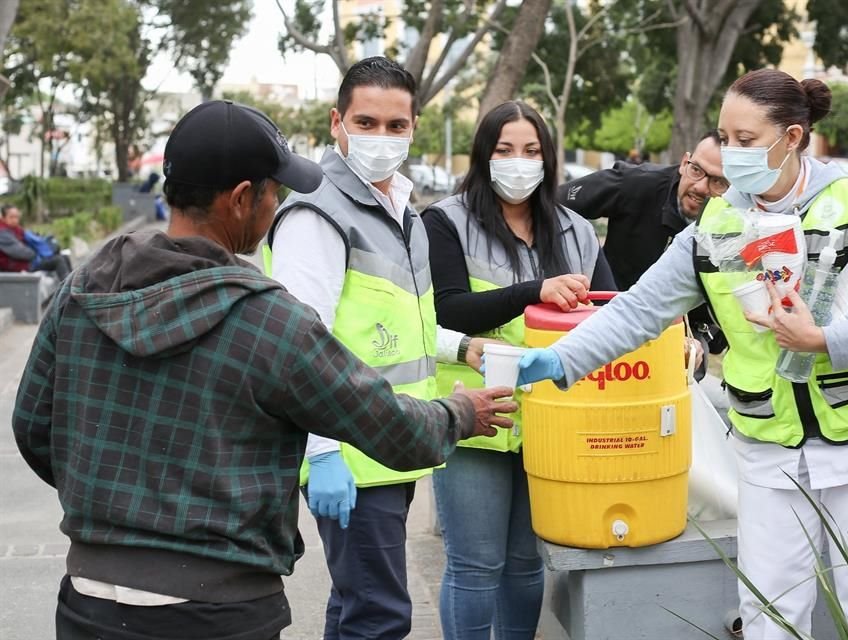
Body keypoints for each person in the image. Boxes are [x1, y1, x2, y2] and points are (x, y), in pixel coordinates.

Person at [12, 99, 517, 640]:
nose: (278, 204)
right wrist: (459, 412)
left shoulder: (82, 292)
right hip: (218, 610)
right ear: (240, 200)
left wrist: (110, 504)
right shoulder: (264, 318)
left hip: (90, 598)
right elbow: (387, 425)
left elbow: (32, 426)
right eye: (274, 192)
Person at [516, 69, 848, 639]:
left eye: (747, 141)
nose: (731, 154)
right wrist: (561, 360)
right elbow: (639, 309)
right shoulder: (715, 228)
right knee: (770, 613)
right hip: (769, 450)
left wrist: (822, 339)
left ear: (791, 138)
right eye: (724, 136)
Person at [267, 57, 494, 640]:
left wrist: (461, 348)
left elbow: (396, 326)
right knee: (380, 616)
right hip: (348, 455)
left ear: (415, 125)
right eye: (366, 122)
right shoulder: (319, 214)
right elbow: (298, 344)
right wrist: (320, 455)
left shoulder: (400, 211)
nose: (381, 138)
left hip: (390, 445)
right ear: (336, 122)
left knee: (356, 609)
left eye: (396, 126)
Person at [420, 100, 617, 639]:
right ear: (484, 156)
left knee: (528, 566)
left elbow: (614, 312)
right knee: (476, 567)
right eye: (505, 150)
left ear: (548, 160)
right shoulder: (446, 221)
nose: (518, 162)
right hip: (476, 421)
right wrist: (534, 291)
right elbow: (448, 310)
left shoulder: (576, 231)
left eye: (531, 151)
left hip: (554, 428)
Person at [557, 131, 728, 363]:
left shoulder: (737, 219)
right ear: (684, 162)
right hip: (608, 327)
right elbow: (552, 206)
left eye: (717, 181)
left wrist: (700, 342)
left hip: (682, 343)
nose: (700, 187)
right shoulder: (636, 183)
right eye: (696, 170)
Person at [0, 203, 72, 279]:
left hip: (28, 261)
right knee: (58, 260)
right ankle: (68, 289)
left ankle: (76, 287)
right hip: (19, 265)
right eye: (11, 217)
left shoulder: (16, 229)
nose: (15, 220)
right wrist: (38, 252)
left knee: (64, 257)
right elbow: (22, 253)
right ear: (3, 218)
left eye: (17, 217)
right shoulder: (2, 233)